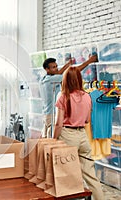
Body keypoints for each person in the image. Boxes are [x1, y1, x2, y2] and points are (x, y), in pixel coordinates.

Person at [53, 67, 104, 200]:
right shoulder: (87, 96)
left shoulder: (63, 96)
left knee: (67, 174)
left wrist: (53, 139)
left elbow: (58, 124)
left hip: (67, 135)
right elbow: (87, 120)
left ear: (65, 80)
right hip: (82, 136)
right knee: (90, 175)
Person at [39, 54, 98, 138]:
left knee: (46, 139)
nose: (56, 69)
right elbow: (71, 74)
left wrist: (68, 64)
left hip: (46, 114)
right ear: (47, 69)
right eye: (53, 67)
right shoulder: (51, 80)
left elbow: (58, 73)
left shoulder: (43, 79)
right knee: (52, 140)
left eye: (56, 66)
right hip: (52, 115)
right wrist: (89, 61)